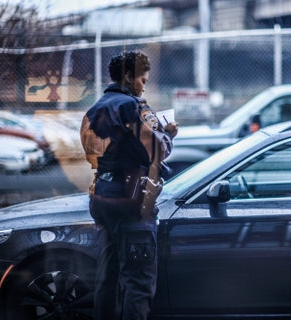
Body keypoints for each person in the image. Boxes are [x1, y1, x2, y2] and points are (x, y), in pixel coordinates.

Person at [80, 50, 178, 320]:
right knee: (138, 283)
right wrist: (168, 134)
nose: (143, 85)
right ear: (127, 76)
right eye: (142, 80)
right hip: (132, 202)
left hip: (101, 198)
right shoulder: (132, 107)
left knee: (106, 279)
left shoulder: (95, 108)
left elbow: (92, 154)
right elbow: (155, 151)